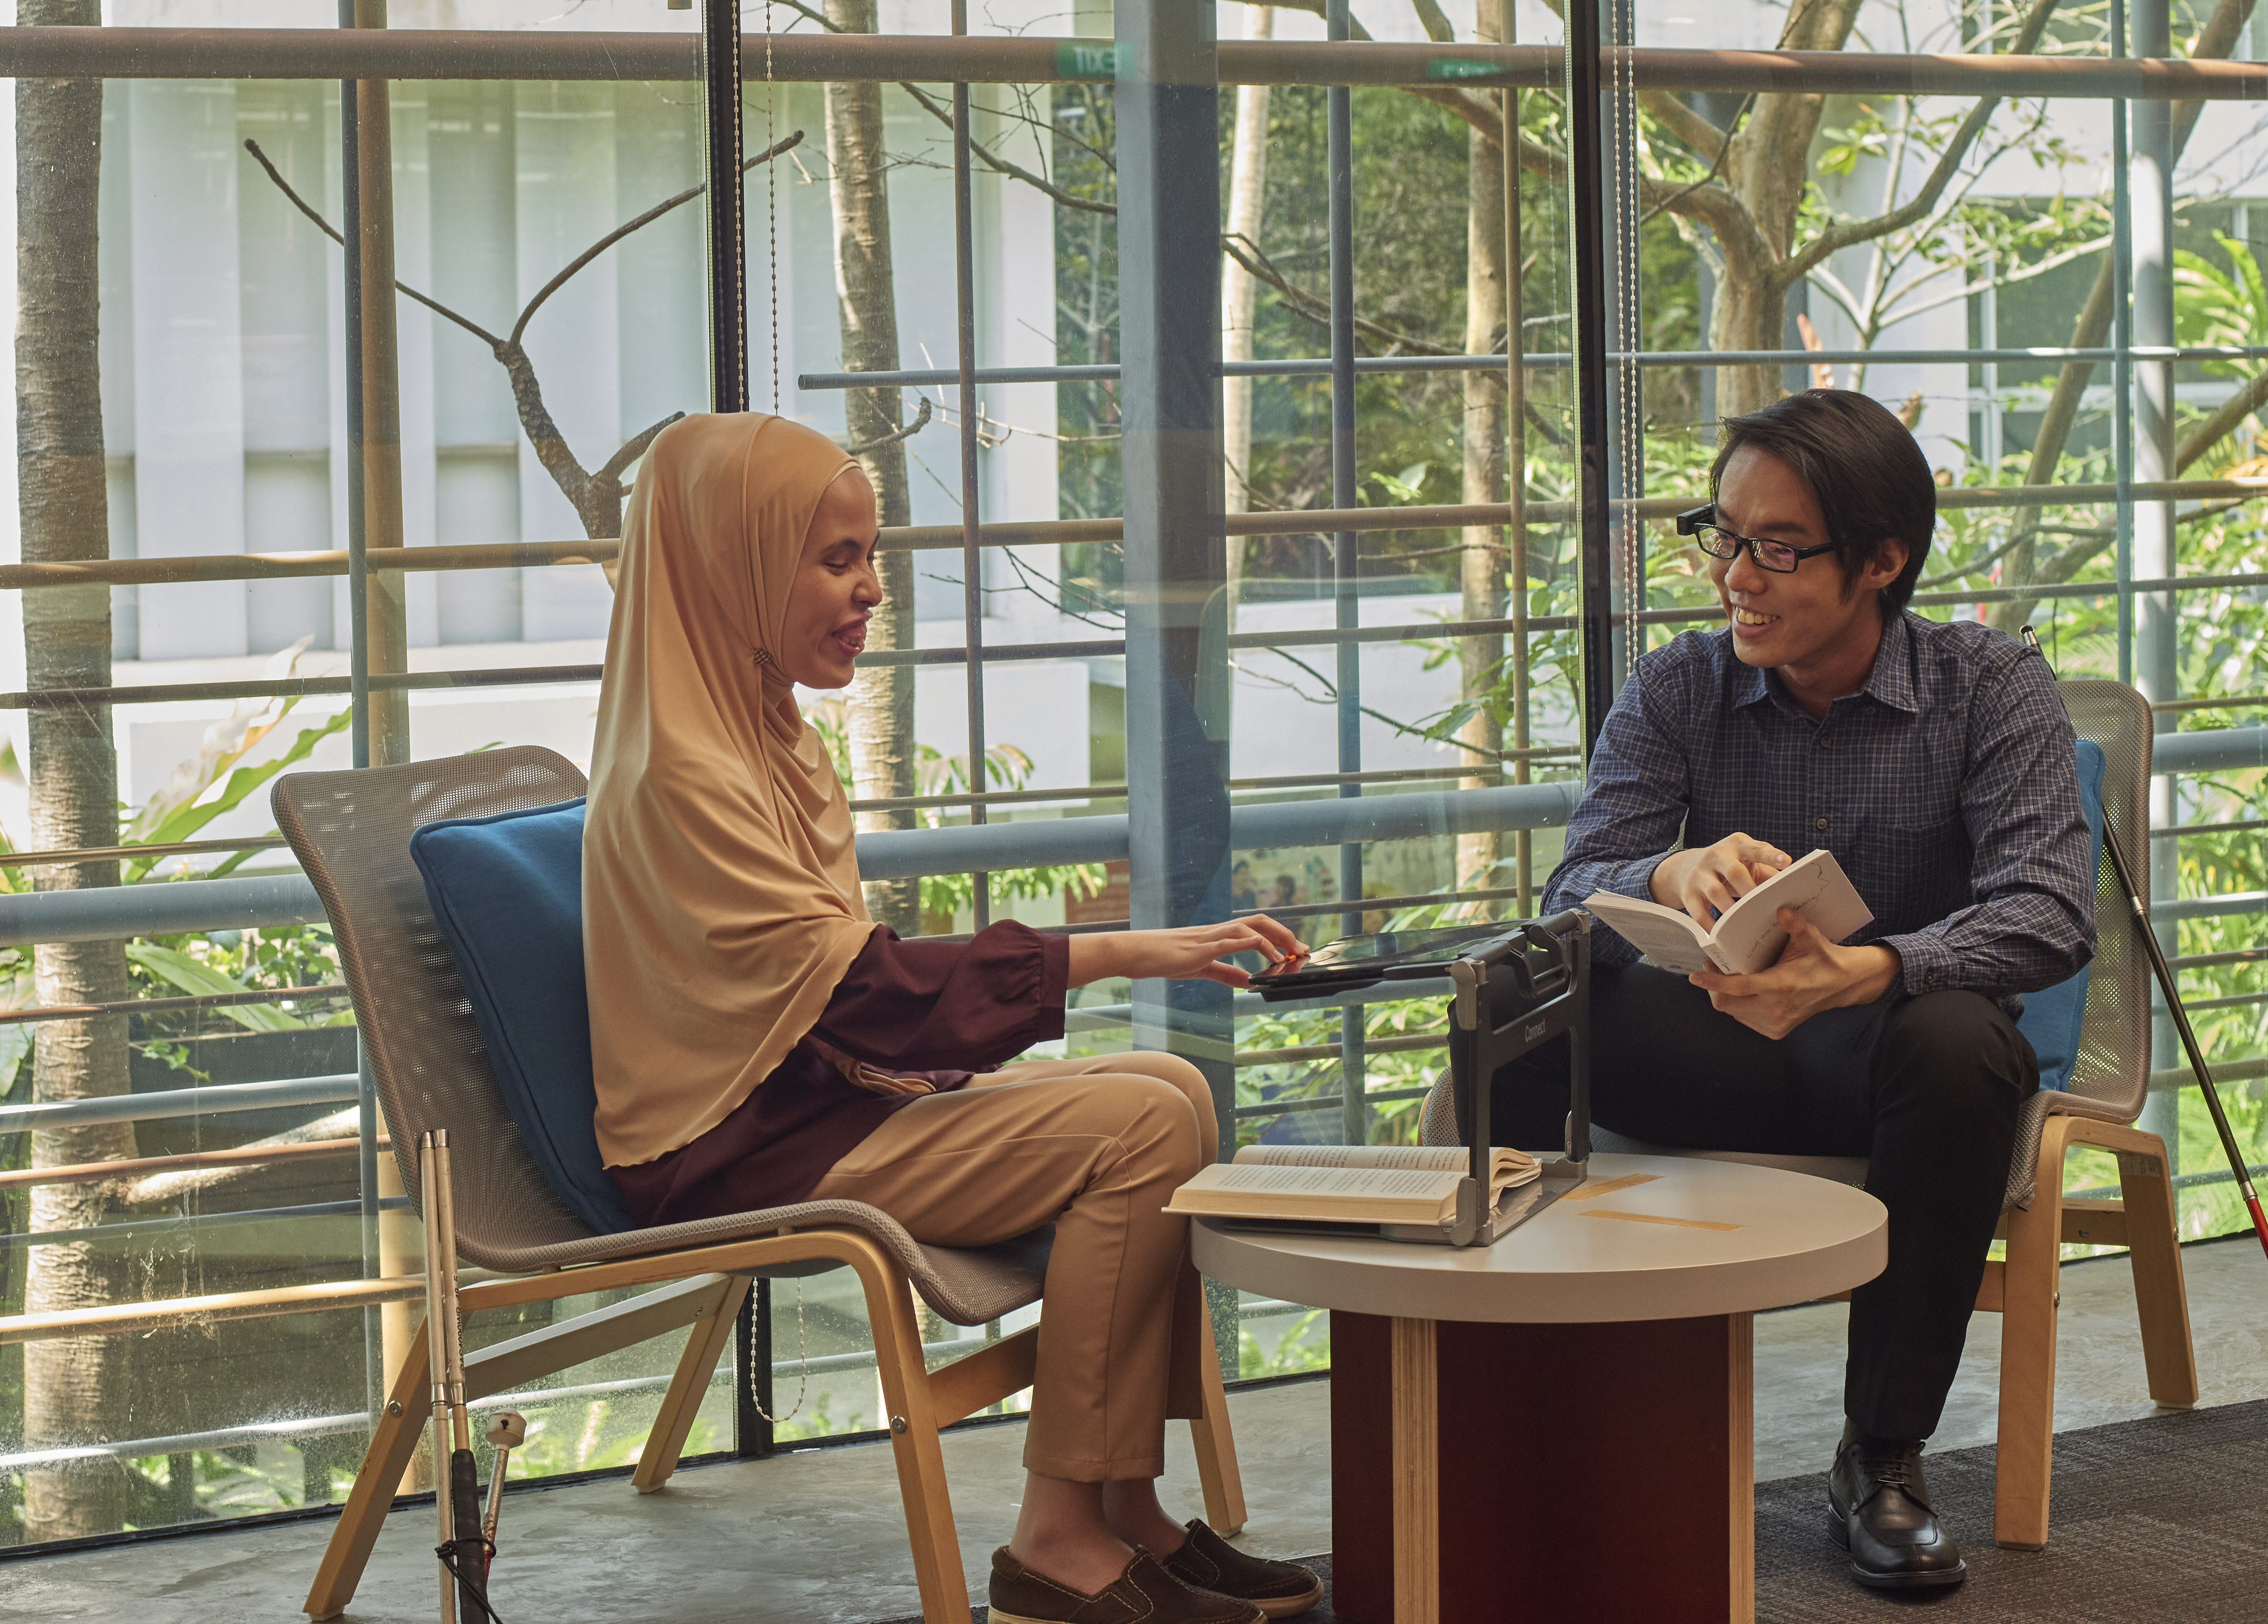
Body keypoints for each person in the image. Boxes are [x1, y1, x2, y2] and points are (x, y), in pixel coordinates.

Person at [583, 412, 1322, 1624]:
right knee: (1138, 1132)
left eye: (870, 555)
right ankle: (1052, 1540)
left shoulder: (758, 735)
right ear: (732, 563)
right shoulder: (685, 772)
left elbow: (832, 992)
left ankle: (1125, 1506)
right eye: (836, 559)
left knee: (1174, 1092)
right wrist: (1132, 947)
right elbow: (865, 993)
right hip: (736, 1150)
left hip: (811, 1100)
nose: (872, 589)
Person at [1488, 387, 2094, 1595]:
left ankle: (1882, 1458)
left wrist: (1864, 971)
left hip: (1888, 1075)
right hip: (1715, 1055)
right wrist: (1668, 866)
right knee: (1518, 995)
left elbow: (2046, 912)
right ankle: (1521, 1411)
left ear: (1883, 560)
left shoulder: (1991, 686)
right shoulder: (1678, 688)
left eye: (1776, 549)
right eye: (1723, 535)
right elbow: (1576, 882)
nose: (1735, 580)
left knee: (1962, 1044)